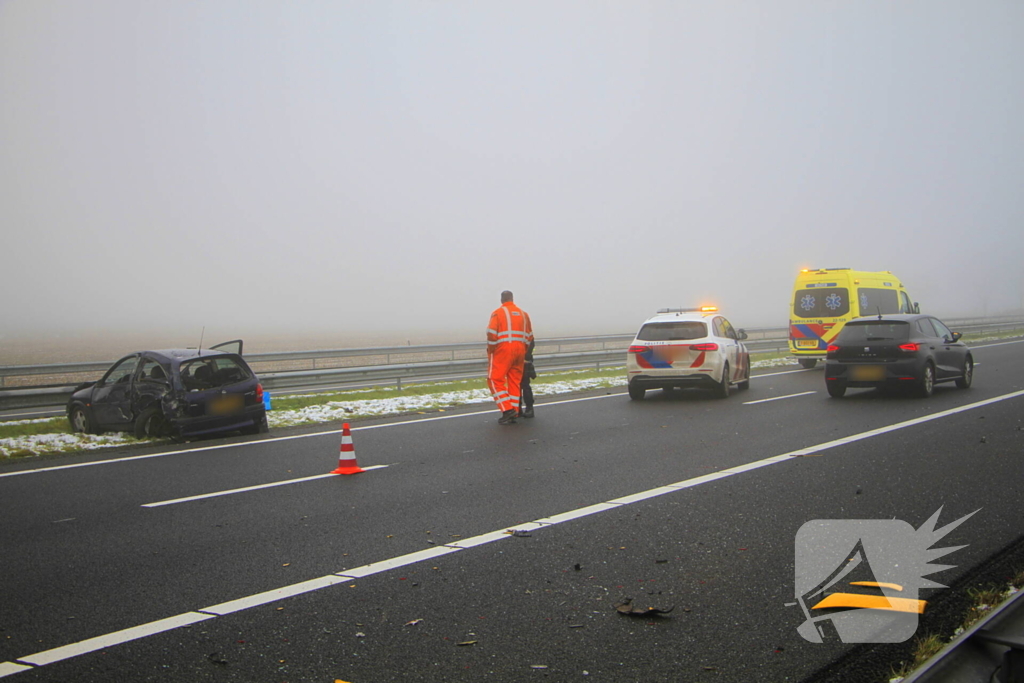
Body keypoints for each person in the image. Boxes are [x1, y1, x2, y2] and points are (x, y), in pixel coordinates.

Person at [486, 290, 533, 424]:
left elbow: (491, 333)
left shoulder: (498, 313)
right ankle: (514, 411)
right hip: (520, 350)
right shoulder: (524, 314)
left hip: (503, 349)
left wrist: (491, 349)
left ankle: (507, 410)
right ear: (512, 299)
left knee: (494, 379)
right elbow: (529, 336)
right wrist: (523, 349)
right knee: (514, 381)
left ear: (502, 300)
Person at [519, 339, 536, 418]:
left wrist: (527, 356)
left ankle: (529, 408)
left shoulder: (524, 327)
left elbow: (531, 341)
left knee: (525, 385)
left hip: (524, 361)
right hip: (514, 359)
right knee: (515, 386)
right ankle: (517, 409)